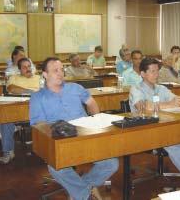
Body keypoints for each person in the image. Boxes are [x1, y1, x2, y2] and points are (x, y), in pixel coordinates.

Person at [30, 57, 118, 200]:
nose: (60, 73)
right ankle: (86, 195)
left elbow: (92, 103)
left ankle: (81, 189)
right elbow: (38, 125)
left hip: (86, 135)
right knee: (55, 167)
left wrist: (98, 120)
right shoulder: (37, 97)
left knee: (111, 163)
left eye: (61, 70)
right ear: (45, 75)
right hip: (61, 141)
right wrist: (54, 134)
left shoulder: (75, 88)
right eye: (55, 71)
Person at [129, 57, 180, 186]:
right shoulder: (136, 89)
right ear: (143, 74)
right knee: (178, 149)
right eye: (152, 71)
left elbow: (175, 99)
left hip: (169, 129)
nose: (156, 74)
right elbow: (143, 106)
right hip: (147, 132)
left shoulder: (161, 88)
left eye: (157, 71)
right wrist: (169, 103)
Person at [0, 58, 40, 164]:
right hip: (18, 109)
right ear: (19, 69)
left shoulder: (39, 78)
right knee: (5, 120)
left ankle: (44, 150)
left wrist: (23, 90)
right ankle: (8, 151)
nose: (28, 69)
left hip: (37, 109)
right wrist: (31, 91)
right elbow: (12, 88)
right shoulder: (14, 78)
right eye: (24, 67)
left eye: (29, 66)